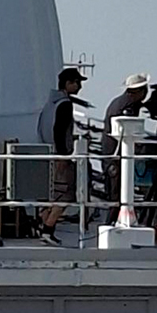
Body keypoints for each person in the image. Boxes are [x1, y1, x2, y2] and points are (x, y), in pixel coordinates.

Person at [35, 67, 88, 245]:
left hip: (45, 153)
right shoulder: (65, 104)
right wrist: (63, 156)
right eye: (77, 82)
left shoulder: (49, 104)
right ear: (67, 83)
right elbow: (59, 131)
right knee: (66, 194)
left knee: (49, 193)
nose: (79, 86)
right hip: (58, 155)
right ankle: (48, 229)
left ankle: (43, 225)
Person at [102, 73, 150, 223]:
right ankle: (111, 224)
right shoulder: (129, 106)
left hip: (111, 154)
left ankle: (113, 223)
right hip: (116, 156)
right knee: (118, 196)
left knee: (116, 195)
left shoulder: (120, 102)